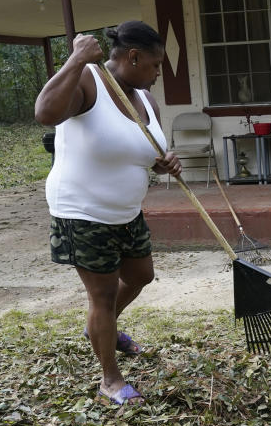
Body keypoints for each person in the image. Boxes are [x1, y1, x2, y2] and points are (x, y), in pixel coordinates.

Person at [34, 21, 181, 406]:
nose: (158, 72)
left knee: (140, 275)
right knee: (101, 296)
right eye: (155, 64)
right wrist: (77, 59)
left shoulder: (147, 101)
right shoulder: (88, 81)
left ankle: (101, 329)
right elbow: (45, 114)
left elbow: (143, 153)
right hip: (83, 211)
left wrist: (162, 164)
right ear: (133, 56)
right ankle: (110, 379)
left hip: (126, 213)